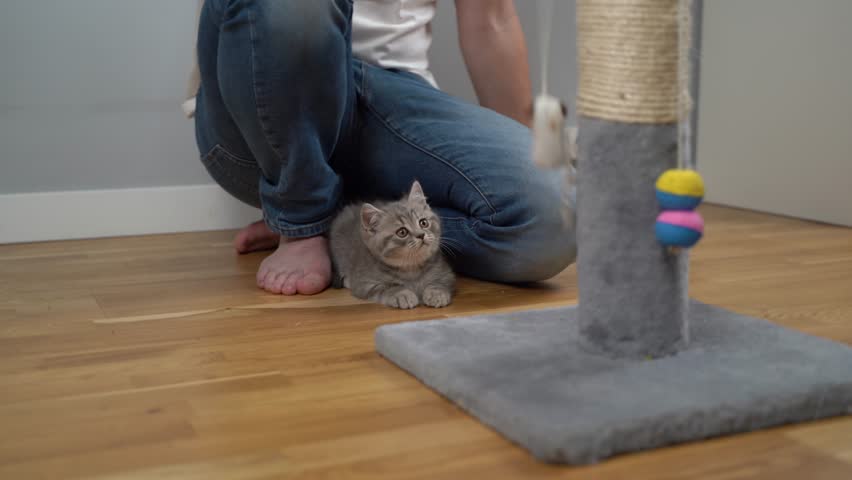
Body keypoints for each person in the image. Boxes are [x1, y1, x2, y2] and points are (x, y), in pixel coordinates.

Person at [184, 0, 576, 295]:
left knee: (557, 217)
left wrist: (529, 159)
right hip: (261, 106)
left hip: (392, 96)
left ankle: (343, 227)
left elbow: (492, 21)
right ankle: (301, 220)